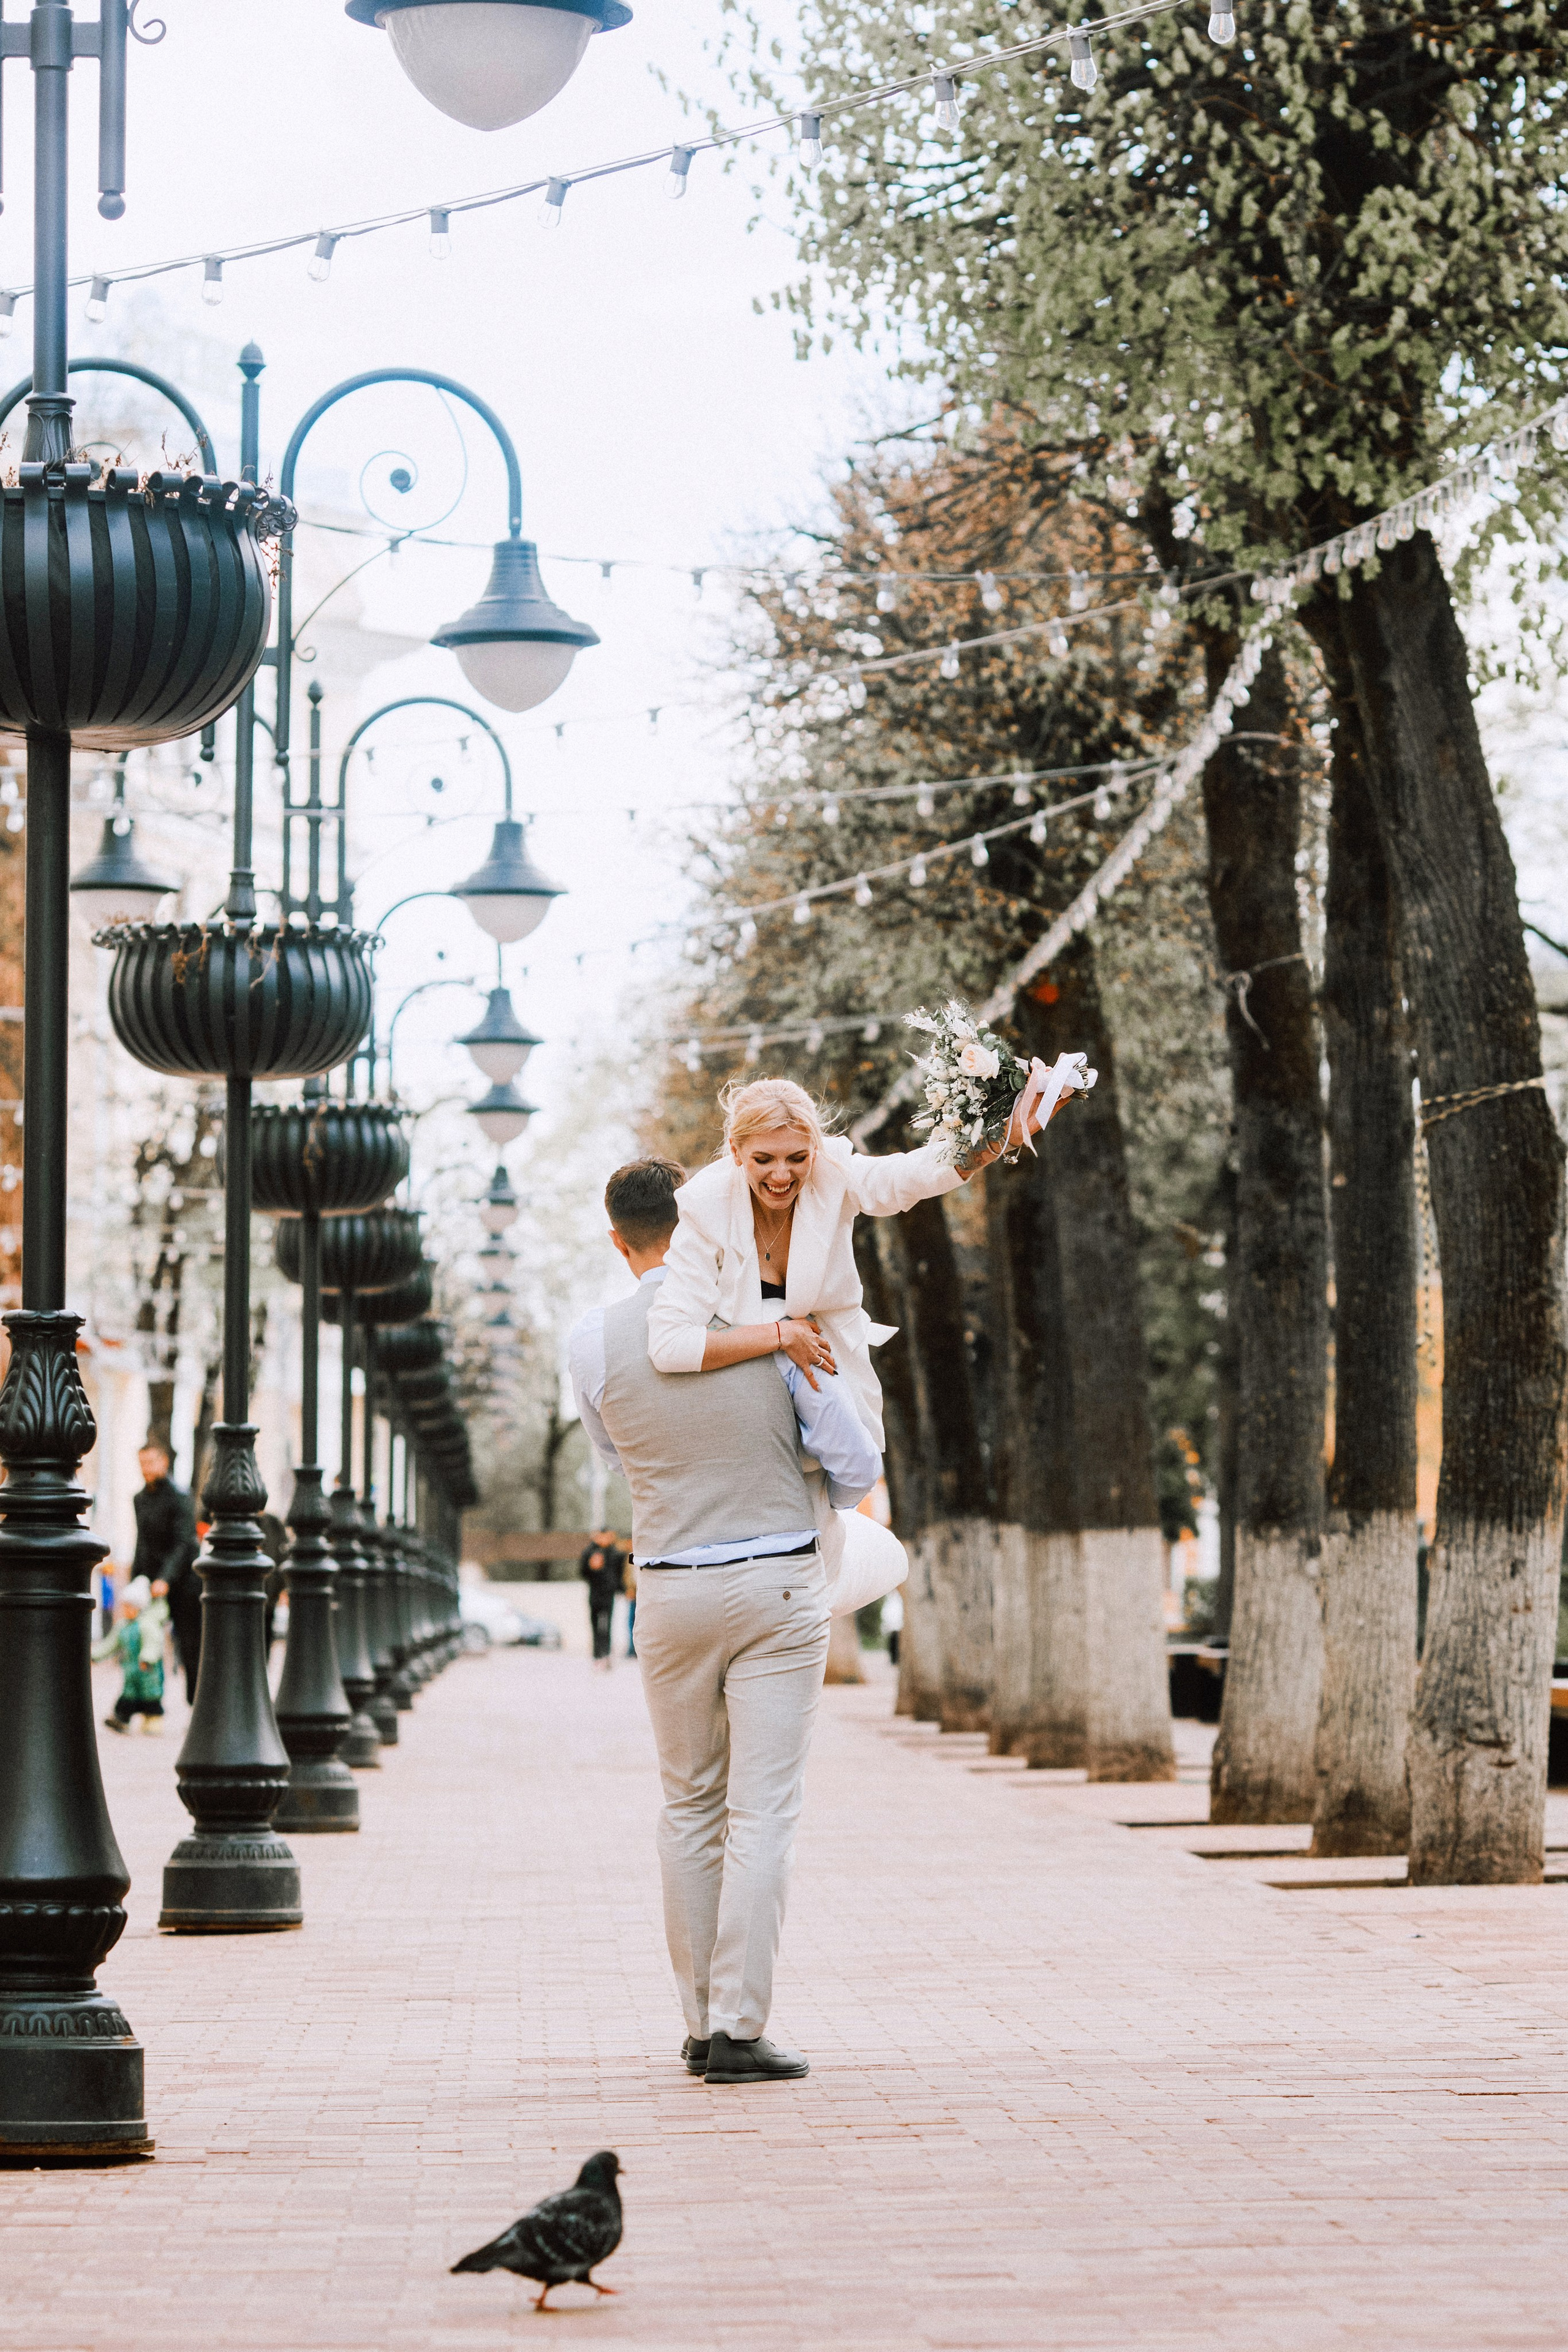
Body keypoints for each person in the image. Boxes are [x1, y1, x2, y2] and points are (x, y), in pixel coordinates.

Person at [570, 1158, 881, 2087]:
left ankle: (700, 2021)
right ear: (713, 1222)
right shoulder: (775, 1327)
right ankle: (742, 2029)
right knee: (763, 1812)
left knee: (688, 1806)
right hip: (778, 1588)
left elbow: (615, 1449)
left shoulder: (592, 1341)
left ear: (619, 1241)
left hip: (666, 1591)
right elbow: (856, 1467)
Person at [646, 1073, 1069, 1454]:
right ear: (737, 1152)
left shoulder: (833, 1170)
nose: (781, 1175)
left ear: (816, 1148)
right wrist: (779, 1335)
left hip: (834, 1397)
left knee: (848, 1493)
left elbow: (904, 1177)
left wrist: (998, 1137)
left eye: (797, 1158)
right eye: (764, 1160)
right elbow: (668, 1345)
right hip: (747, 1416)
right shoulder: (704, 1208)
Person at [132, 1442, 201, 1706]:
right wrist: (137, 1580)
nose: (145, 1469)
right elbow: (143, 1543)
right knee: (141, 1640)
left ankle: (195, 1706)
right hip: (152, 1583)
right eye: (142, 1463)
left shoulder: (181, 1497)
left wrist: (165, 1579)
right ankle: (141, 1706)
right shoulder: (139, 1499)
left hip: (184, 1582)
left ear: (164, 1463)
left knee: (189, 1646)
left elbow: (184, 1543)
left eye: (150, 1463)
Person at [93, 1575, 167, 1734]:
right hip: (131, 1672)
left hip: (148, 1672)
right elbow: (110, 1644)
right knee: (128, 1698)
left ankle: (152, 1720)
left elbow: (153, 1643)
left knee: (151, 1699)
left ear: (139, 1607)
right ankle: (121, 1719)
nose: (125, 1610)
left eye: (129, 1606)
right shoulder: (123, 1626)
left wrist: (147, 1658)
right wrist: (95, 1656)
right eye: (124, 1606)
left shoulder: (147, 1623)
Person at [579, 1528, 625, 1668]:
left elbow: (620, 1573)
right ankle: (597, 1654)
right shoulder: (589, 1552)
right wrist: (592, 1567)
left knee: (607, 1625)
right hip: (595, 1594)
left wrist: (619, 1588)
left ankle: (606, 1654)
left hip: (608, 1594)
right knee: (595, 1625)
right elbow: (583, 1573)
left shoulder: (615, 1553)